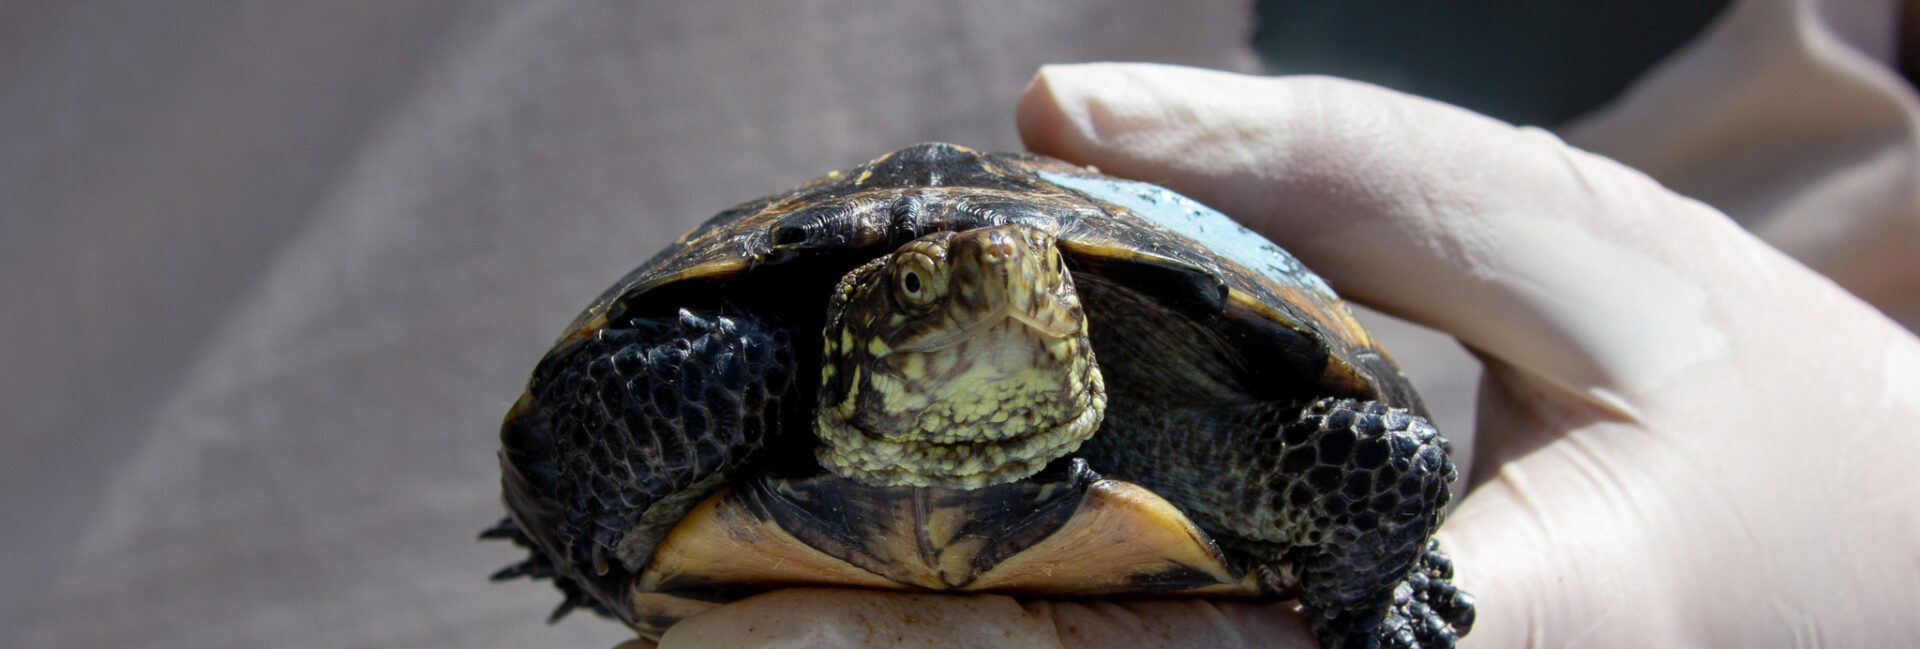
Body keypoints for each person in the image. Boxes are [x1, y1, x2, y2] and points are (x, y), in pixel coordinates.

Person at [625, 61, 1920, 649]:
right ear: (859, 318)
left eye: (1047, 282)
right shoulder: (760, 381)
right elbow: (607, 401)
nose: (996, 275)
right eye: (921, 285)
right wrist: (594, 513)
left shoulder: (1196, 438)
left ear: (1078, 321)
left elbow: (1384, 459)